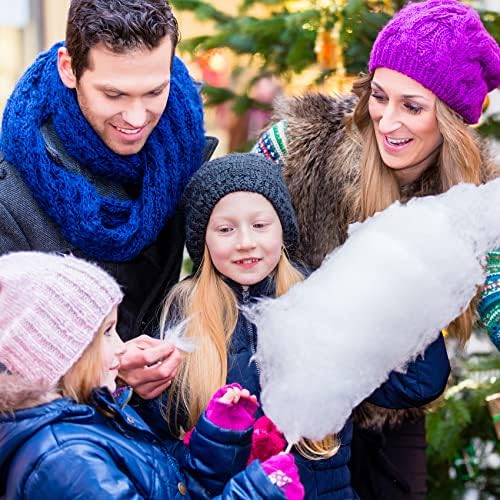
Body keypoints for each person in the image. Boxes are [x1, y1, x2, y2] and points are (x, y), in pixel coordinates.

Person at [252, 0, 500, 497]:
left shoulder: (476, 198)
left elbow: (496, 292)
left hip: (392, 411)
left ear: (450, 119)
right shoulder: (300, 144)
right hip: (291, 399)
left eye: (412, 107)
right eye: (379, 96)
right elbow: (230, 220)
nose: (386, 121)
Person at [137, 152, 451, 499]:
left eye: (260, 225)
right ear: (203, 240)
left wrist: (404, 297)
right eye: (225, 229)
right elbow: (158, 438)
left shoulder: (320, 296)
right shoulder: (183, 313)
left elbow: (418, 384)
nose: (245, 242)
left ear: (282, 228)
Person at [0, 0, 210, 400]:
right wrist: (104, 368)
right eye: (114, 94)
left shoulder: (182, 144)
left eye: (155, 91)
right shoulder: (11, 193)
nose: (136, 117)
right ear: (69, 68)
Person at [0, 251, 304, 499]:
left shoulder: (99, 414)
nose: (122, 347)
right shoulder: (68, 460)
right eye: (107, 332)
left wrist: (218, 439)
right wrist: (257, 494)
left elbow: (176, 490)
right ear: (61, 352)